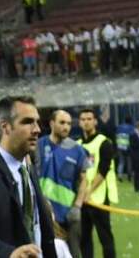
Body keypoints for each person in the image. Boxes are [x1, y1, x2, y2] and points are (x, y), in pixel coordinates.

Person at [0, 95, 57, 258]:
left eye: (37, 122)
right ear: (6, 127)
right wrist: (9, 253)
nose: (37, 129)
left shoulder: (27, 169)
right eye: (27, 122)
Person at [36, 110, 88, 258]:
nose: (66, 127)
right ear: (52, 123)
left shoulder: (78, 150)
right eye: (62, 122)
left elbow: (84, 180)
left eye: (69, 124)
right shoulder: (38, 146)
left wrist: (77, 207)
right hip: (43, 215)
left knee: (73, 254)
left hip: (68, 216)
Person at [77, 108, 116, 258]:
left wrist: (89, 191)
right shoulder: (77, 144)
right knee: (84, 238)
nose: (86, 122)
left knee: (105, 238)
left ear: (95, 121)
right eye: (83, 119)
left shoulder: (104, 142)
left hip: (98, 198)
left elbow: (103, 171)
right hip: (82, 200)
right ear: (79, 123)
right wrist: (81, 194)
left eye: (89, 119)